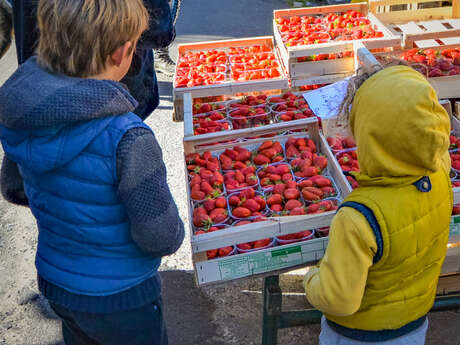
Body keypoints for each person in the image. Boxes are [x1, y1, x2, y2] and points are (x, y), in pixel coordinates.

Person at [0, 1, 184, 344]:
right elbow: (161, 236)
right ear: (123, 52)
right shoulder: (129, 138)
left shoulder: (26, 114)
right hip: (124, 299)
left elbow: (16, 187)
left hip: (58, 286)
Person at [304, 63, 452, 344]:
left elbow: (339, 300)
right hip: (412, 326)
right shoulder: (440, 172)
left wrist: (312, 279)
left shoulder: (359, 216)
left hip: (358, 335)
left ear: (368, 133)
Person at [9, 0, 175, 119]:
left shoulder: (16, 119)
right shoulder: (129, 139)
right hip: (116, 97)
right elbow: (158, 29)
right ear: (120, 52)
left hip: (40, 80)